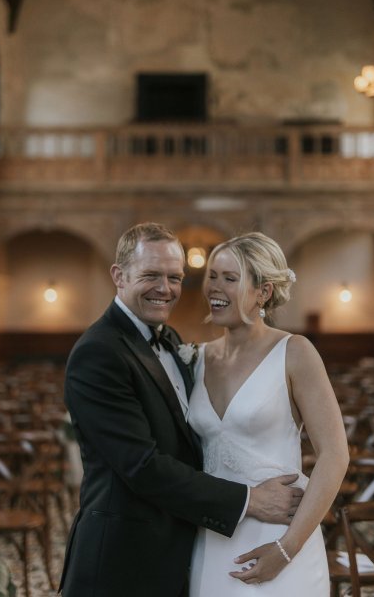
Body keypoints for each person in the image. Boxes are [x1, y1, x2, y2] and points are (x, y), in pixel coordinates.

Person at [59, 223, 303, 597]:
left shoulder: (170, 340)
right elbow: (142, 466)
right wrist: (249, 499)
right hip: (121, 562)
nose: (166, 288)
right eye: (151, 275)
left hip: (184, 548)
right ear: (118, 276)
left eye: (175, 277)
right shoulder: (99, 352)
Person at [188, 232, 349, 596]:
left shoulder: (295, 352)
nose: (214, 286)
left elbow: (335, 455)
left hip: (278, 536)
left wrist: (286, 549)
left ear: (264, 292)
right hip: (213, 533)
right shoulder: (196, 358)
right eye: (213, 275)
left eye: (231, 278)